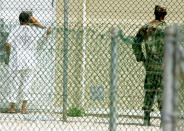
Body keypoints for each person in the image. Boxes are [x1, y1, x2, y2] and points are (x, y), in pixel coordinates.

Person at [5, 11, 51, 113]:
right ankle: (23, 108)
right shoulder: (34, 31)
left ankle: (12, 108)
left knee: (14, 83)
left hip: (16, 60)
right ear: (29, 20)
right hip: (30, 60)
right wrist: (37, 23)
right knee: (27, 84)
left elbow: (8, 44)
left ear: (19, 20)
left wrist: (9, 56)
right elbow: (48, 31)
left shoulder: (15, 30)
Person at [132, 5, 167, 126]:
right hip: (164, 65)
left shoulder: (146, 27)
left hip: (150, 64)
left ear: (155, 13)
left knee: (150, 90)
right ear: (165, 14)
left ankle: (146, 118)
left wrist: (141, 58)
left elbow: (135, 43)